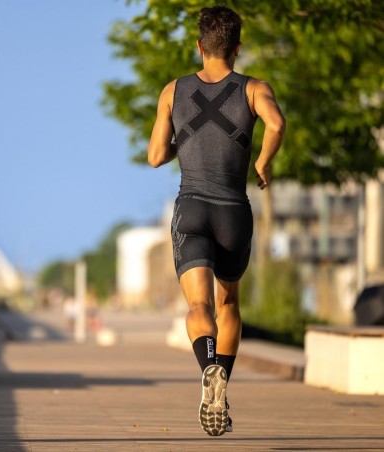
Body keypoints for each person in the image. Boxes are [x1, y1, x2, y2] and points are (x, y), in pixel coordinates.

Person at [147, 6, 285, 437]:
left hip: (191, 209)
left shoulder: (173, 90)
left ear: (199, 45)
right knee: (229, 305)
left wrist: (181, 142)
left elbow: (154, 156)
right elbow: (277, 124)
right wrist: (262, 161)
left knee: (198, 307)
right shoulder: (254, 89)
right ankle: (222, 380)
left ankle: (209, 369)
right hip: (233, 211)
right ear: (237, 48)